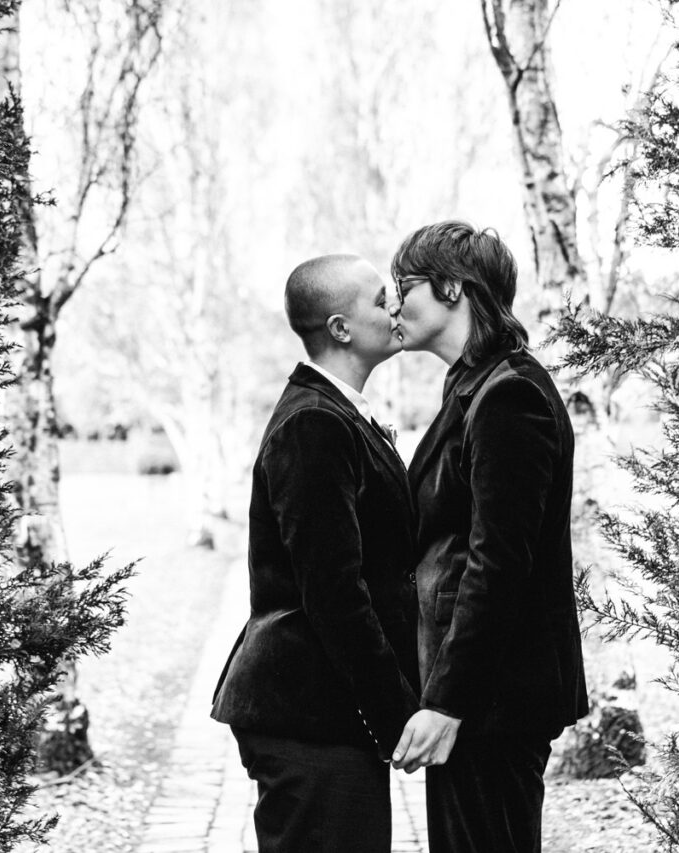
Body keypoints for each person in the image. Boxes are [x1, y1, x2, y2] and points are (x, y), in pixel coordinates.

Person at [387, 221, 589, 853]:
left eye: (405, 285)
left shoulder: (510, 397)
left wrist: (448, 703)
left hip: (496, 699)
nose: (394, 304)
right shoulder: (473, 386)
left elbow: (498, 565)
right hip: (482, 696)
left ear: (451, 286)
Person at [211, 253, 420, 852]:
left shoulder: (339, 415)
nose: (396, 308)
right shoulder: (314, 425)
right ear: (340, 328)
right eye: (381, 300)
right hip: (306, 714)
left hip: (324, 714)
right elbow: (333, 589)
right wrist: (396, 714)